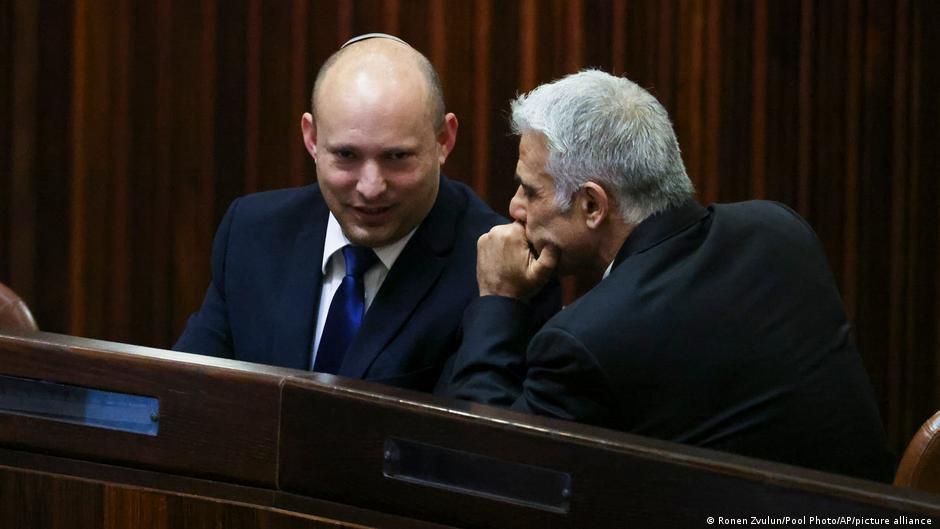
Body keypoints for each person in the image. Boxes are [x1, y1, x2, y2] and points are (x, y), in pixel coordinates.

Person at [445, 69, 896, 482]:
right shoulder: (779, 230)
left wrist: (498, 300)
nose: (514, 208)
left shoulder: (586, 341)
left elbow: (489, 469)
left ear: (592, 205)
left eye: (530, 189)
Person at [175, 34, 556, 392]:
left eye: (396, 157)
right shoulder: (254, 231)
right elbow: (185, 396)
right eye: (346, 156)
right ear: (312, 138)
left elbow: (478, 444)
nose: (371, 186)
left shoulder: (505, 272)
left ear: (444, 140)